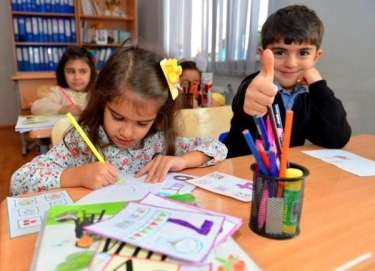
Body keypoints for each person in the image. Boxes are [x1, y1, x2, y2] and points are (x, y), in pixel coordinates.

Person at [10, 43, 228, 196]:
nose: (127, 132)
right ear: (102, 102)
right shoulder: (82, 140)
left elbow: (218, 147)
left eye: (142, 123)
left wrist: (181, 161)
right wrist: (77, 175)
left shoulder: (157, 140)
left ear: (157, 116)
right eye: (118, 117)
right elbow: (19, 181)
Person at [224, 5, 351, 158]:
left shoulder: (309, 96)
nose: (291, 63)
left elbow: (336, 138)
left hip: (284, 172)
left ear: (316, 57)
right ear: (262, 54)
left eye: (303, 53)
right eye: (280, 52)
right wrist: (247, 97)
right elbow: (245, 97)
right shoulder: (256, 84)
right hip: (241, 172)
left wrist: (319, 86)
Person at [31, 46, 97, 116]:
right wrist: (62, 109)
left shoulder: (96, 93)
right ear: (62, 72)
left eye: (83, 71)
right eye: (71, 72)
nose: (77, 77)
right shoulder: (58, 92)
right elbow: (36, 108)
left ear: (91, 73)